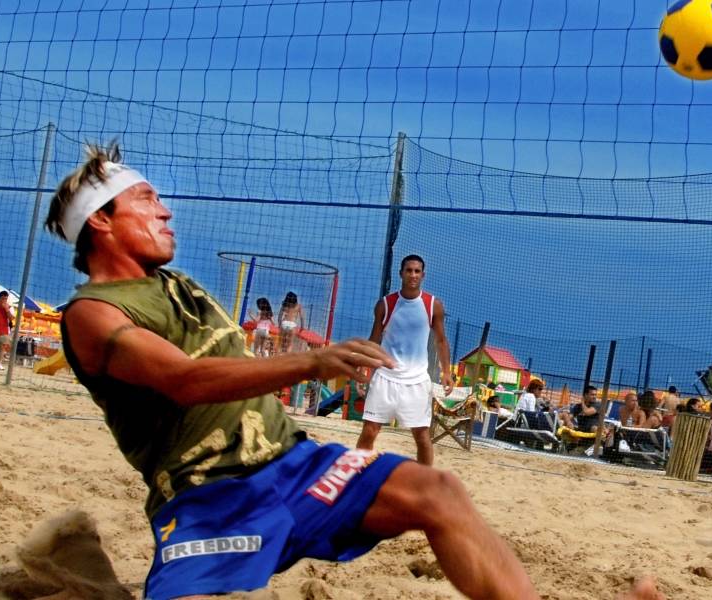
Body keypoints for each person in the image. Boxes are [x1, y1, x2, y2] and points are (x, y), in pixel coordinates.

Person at [43, 144, 657, 600]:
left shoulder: (174, 283)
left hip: (295, 465)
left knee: (437, 488)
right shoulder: (93, 315)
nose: (166, 211)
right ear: (101, 220)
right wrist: (312, 359)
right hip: (213, 496)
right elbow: (183, 380)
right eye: (147, 199)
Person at [355, 254, 455, 468]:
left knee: (421, 436)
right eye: (409, 270)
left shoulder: (432, 305)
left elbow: (441, 340)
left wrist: (446, 372)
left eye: (417, 271)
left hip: (417, 380)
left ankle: (425, 481)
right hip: (385, 376)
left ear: (423, 275)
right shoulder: (385, 304)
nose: (413, 275)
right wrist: (364, 368)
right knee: (370, 430)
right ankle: (355, 473)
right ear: (401, 273)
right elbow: (374, 340)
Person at [557, 385, 603, 452]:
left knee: (594, 428)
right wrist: (567, 421)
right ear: (586, 395)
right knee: (567, 421)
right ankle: (572, 446)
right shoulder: (578, 406)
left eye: (595, 395)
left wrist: (582, 402)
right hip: (581, 434)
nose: (594, 397)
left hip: (593, 437)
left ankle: (590, 452)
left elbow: (587, 412)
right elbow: (569, 417)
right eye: (592, 395)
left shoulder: (597, 405)